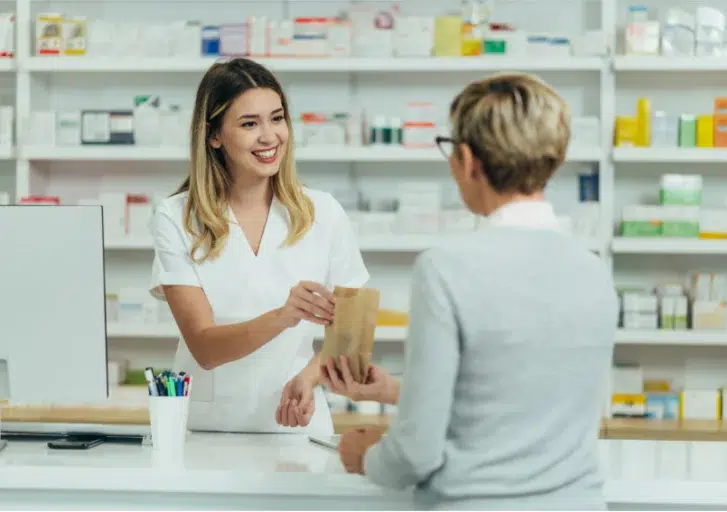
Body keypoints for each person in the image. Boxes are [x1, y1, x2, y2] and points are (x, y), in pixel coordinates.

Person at [321, 73, 618, 510]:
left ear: (468, 160)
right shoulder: (594, 272)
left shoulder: (446, 269)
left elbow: (416, 453)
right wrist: (401, 392)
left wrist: (366, 457)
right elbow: (523, 400)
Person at [149, 57, 368, 436]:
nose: (270, 136)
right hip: (210, 433)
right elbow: (205, 348)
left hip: (298, 426)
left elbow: (353, 333)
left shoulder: (323, 212)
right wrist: (286, 315)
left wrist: (310, 376)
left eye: (277, 118)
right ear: (214, 135)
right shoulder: (177, 217)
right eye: (250, 124)